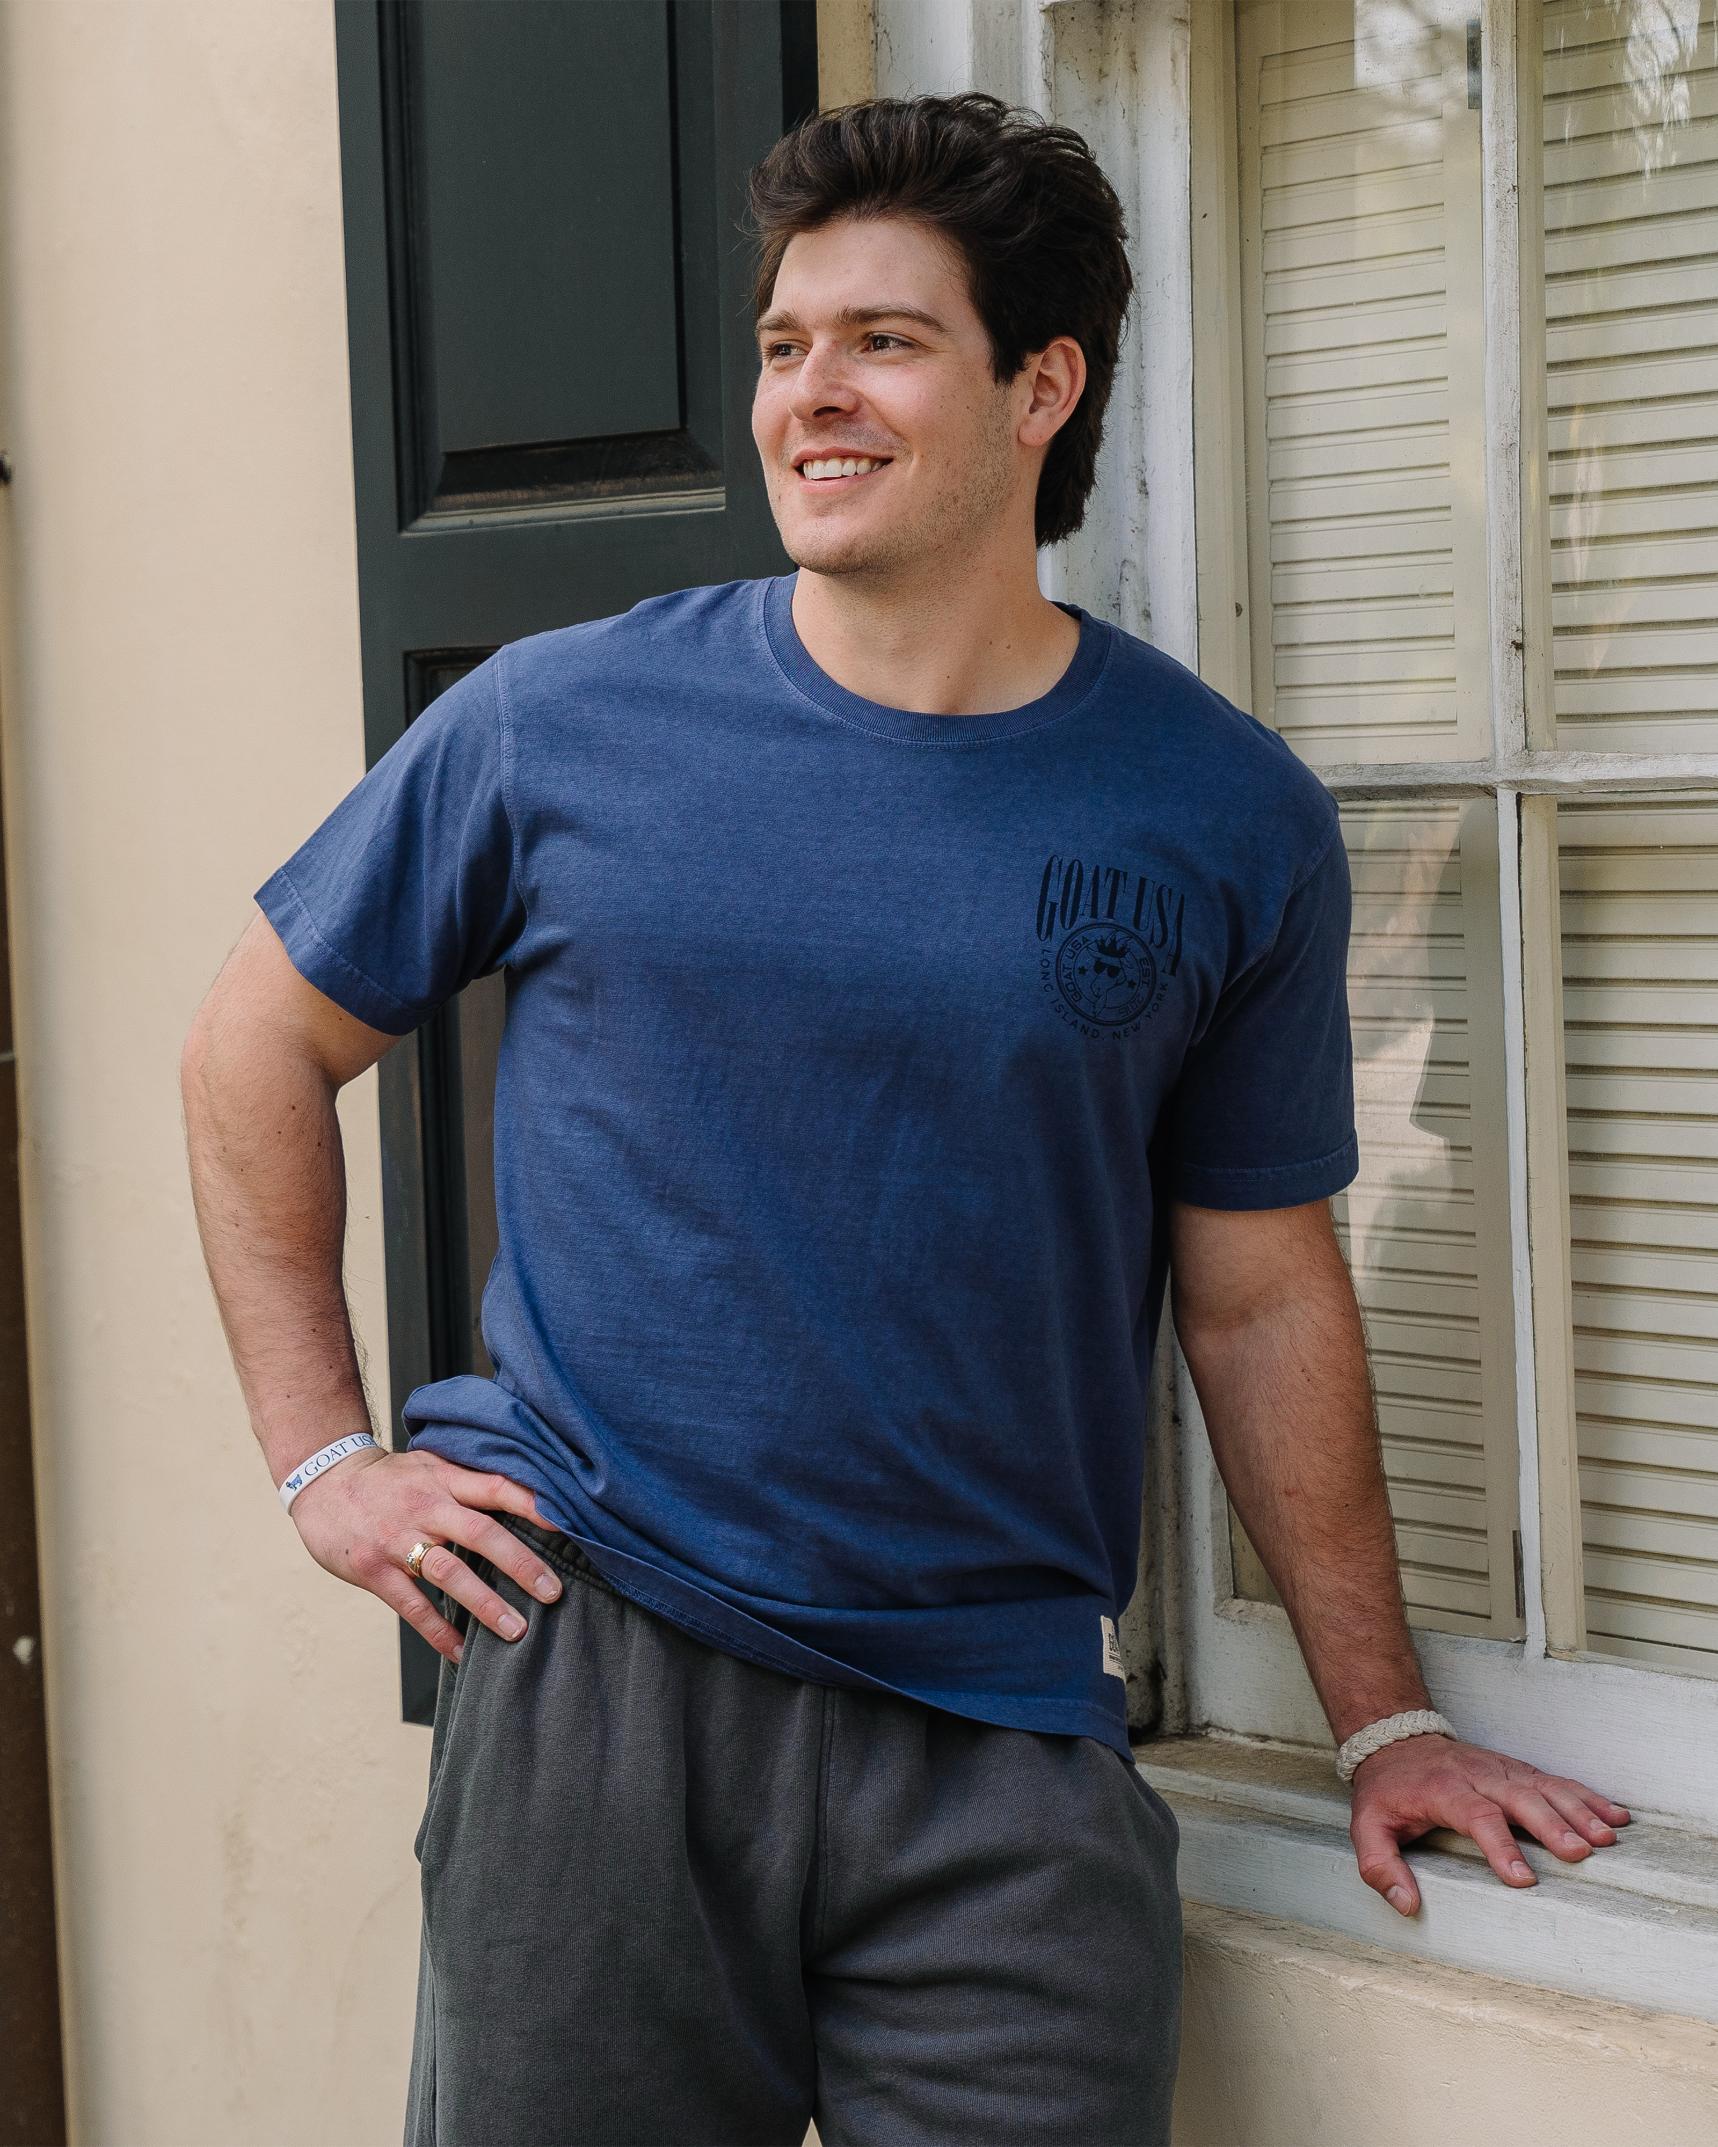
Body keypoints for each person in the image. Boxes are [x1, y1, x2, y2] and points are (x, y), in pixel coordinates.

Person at [181, 89, 1631, 2147]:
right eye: (784, 347)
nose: (807, 397)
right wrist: (324, 1457)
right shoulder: (556, 722)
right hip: (603, 1678)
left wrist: (1377, 1715)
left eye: (879, 341)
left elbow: (1258, 1296)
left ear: (1042, 384)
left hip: (1008, 1741)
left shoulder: (1220, 816)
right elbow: (250, 1046)